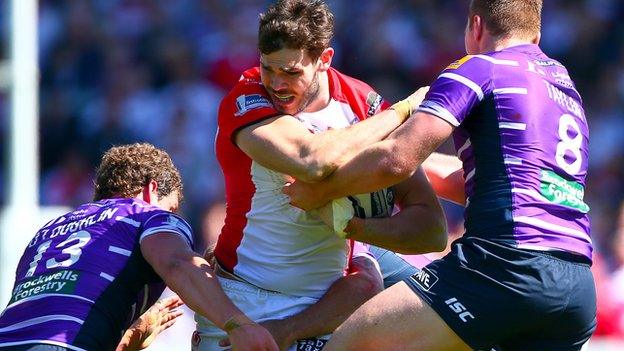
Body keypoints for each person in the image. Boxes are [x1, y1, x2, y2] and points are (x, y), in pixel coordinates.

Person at [285, 0, 596, 350]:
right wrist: (417, 170)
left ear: (475, 26)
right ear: (535, 34)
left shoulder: (480, 68)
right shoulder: (564, 88)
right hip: (576, 287)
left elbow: (396, 160)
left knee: (351, 343)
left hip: (505, 266)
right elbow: (492, 183)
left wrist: (323, 189)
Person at [196, 0, 447, 349]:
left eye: (292, 72)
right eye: (269, 68)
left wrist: (353, 227)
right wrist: (402, 113)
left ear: (324, 59)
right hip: (245, 300)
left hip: (326, 313)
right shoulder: (246, 97)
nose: (277, 84)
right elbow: (310, 160)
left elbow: (432, 230)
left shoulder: (364, 105)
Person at [0, 143, 277, 351]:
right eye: (173, 207)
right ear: (151, 190)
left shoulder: (47, 231)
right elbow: (178, 263)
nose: (172, 216)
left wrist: (128, 341)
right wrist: (238, 324)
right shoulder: (145, 215)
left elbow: (46, 321)